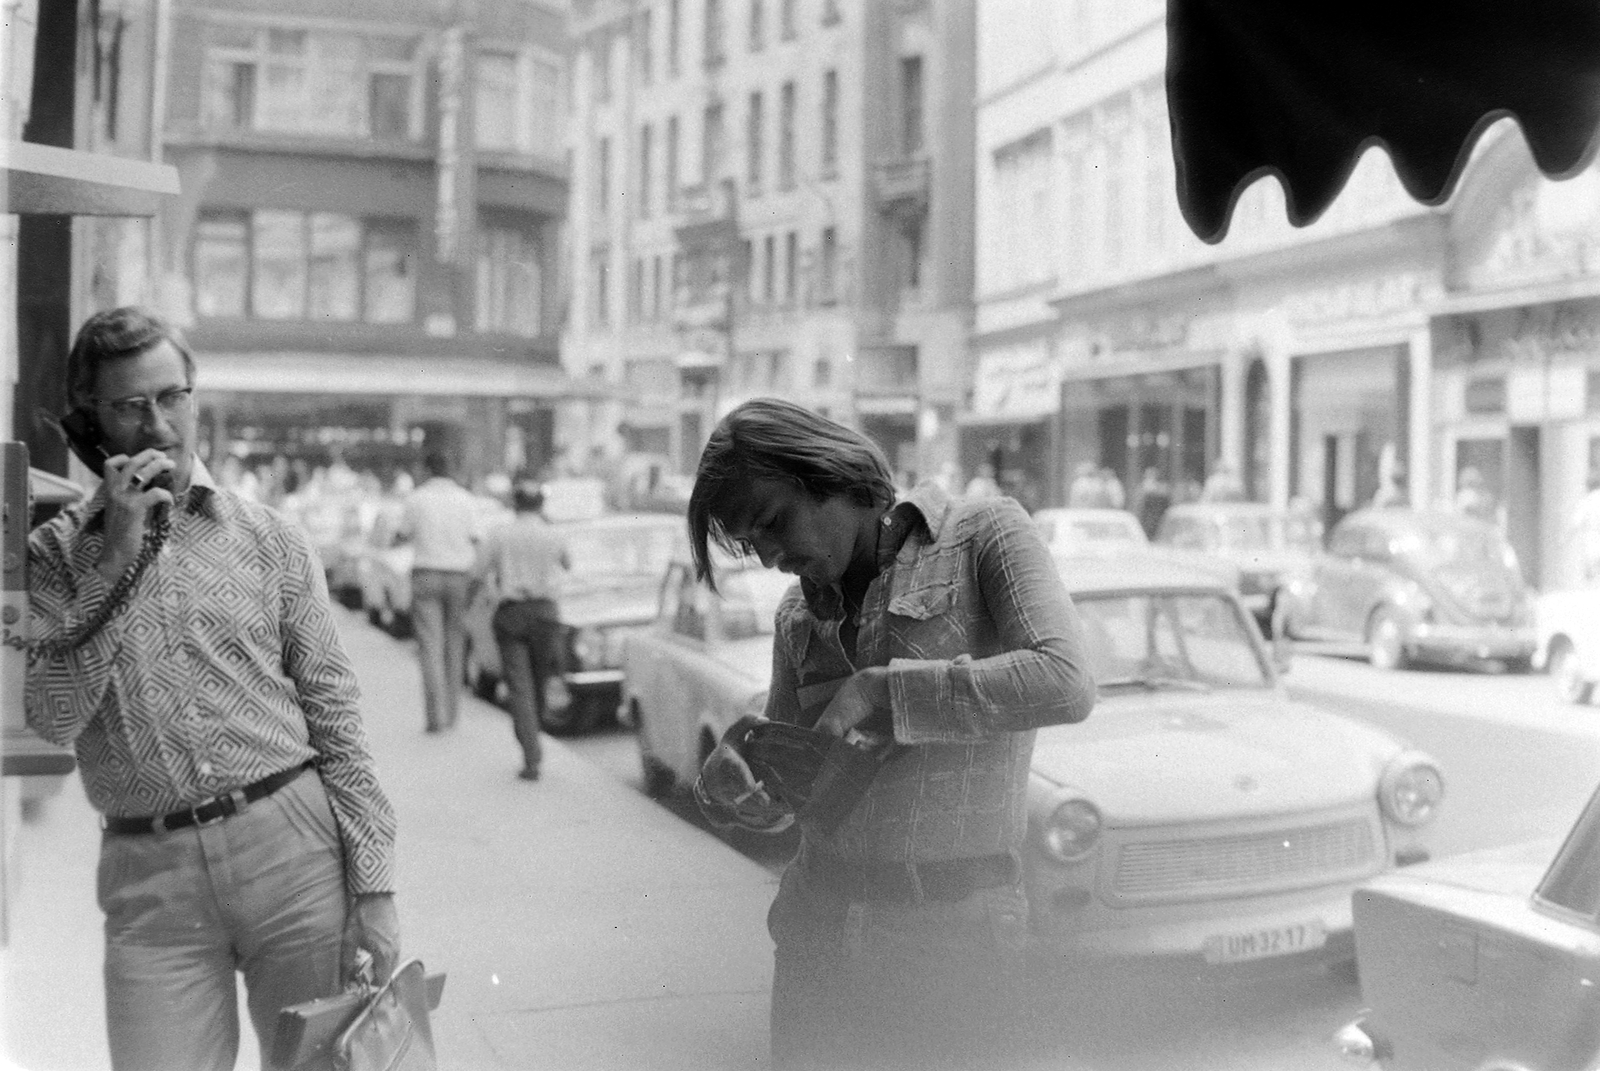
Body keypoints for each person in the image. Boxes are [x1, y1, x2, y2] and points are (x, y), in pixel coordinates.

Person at [25, 307, 400, 1071]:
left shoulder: (271, 538)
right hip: (149, 880)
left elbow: (338, 720)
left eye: (173, 396)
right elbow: (50, 720)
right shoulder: (56, 556)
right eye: (130, 405)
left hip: (291, 847)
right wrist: (115, 560)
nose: (158, 423)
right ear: (88, 422)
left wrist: (376, 883)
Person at [687, 399, 1095, 1071]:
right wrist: (745, 782)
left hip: (953, 940)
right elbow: (798, 787)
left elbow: (1065, 679)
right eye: (750, 543)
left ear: (828, 472)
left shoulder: (981, 535)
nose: (767, 557)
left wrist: (882, 688)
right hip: (817, 931)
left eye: (772, 522)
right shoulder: (796, 615)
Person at [473, 476, 570, 780]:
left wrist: (467, 602)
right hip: (545, 613)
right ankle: (533, 740)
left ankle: (531, 754)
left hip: (512, 613)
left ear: (515, 504)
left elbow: (477, 572)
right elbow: (568, 564)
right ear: (541, 504)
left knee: (519, 687)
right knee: (540, 682)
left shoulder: (500, 534)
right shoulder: (553, 533)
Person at [398, 450, 484, 732]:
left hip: (426, 575)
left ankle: (435, 717)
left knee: (430, 646)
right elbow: (477, 539)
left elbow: (402, 533)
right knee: (455, 645)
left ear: (426, 469)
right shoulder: (466, 500)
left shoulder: (416, 499)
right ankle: (453, 715)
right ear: (453, 469)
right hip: (459, 577)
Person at [1566, 457, 1600, 583]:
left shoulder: (1587, 501)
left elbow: (1575, 522)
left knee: (1593, 575)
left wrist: (1566, 539)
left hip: (1591, 540)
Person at [1133, 465, 1172, 538]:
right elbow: (1138, 501)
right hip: (1145, 512)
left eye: (1151, 474)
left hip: (1154, 513)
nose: (1149, 476)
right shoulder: (1142, 486)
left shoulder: (1160, 487)